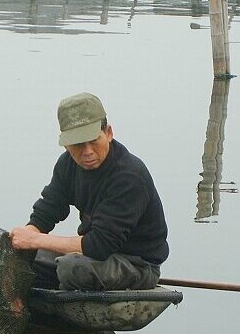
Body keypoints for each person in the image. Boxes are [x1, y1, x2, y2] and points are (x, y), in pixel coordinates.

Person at [10, 92, 169, 291]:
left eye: (93, 140)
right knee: (21, 258)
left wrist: (35, 240)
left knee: (71, 268)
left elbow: (100, 245)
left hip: (136, 264)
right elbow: (48, 209)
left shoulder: (129, 176)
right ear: (66, 144)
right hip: (92, 255)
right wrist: (28, 235)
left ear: (109, 133)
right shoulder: (67, 164)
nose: (87, 152)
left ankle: (55, 290)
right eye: (77, 144)